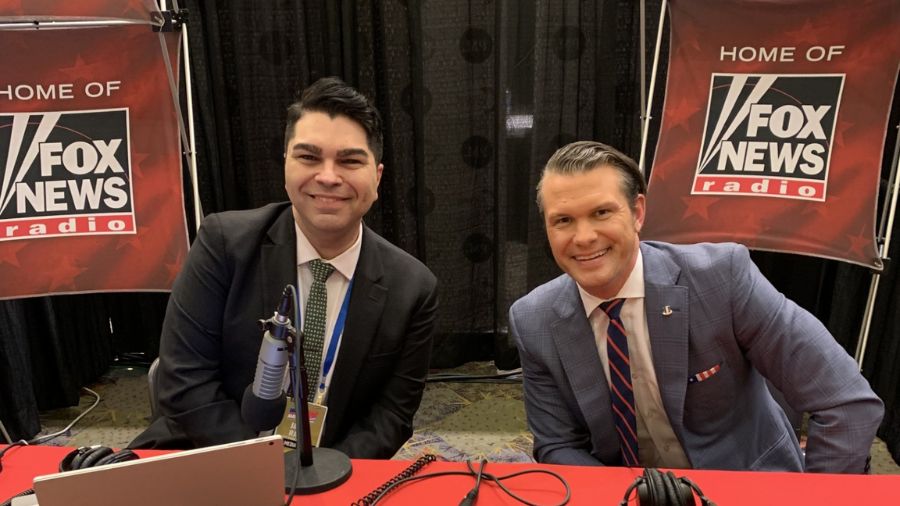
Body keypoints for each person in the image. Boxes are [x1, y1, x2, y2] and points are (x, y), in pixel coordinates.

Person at [508, 140, 883, 473]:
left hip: (743, 486)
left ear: (638, 213)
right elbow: (558, 445)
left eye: (602, 213)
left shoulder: (722, 278)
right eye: (563, 221)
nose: (584, 237)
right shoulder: (533, 319)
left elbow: (845, 403)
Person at [130, 77, 438, 459]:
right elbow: (184, 382)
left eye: (349, 160)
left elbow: (391, 416)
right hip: (213, 456)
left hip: (337, 470)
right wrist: (268, 467)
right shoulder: (223, 244)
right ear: (286, 166)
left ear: (376, 177)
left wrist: (321, 477)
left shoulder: (413, 288)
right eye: (309, 157)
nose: (328, 176)